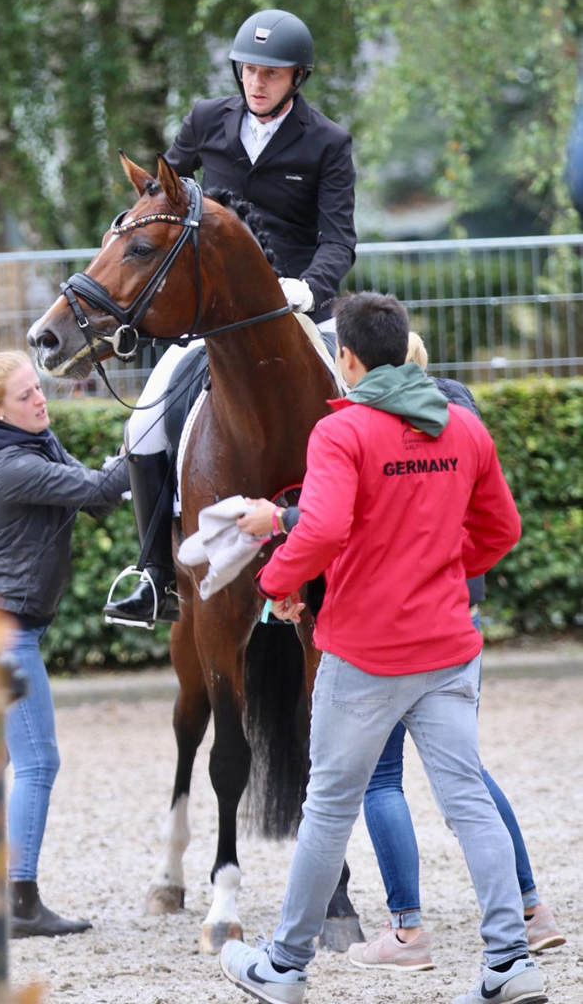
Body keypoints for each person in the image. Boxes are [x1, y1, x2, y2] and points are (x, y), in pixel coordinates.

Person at [219, 293, 548, 1004]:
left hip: (365, 653)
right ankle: (509, 962)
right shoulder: (463, 428)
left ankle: (283, 966)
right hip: (449, 646)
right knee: (468, 802)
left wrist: (278, 580)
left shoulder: (343, 434)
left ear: (347, 358)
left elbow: (325, 527)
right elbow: (501, 532)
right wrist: (437, 568)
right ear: (403, 348)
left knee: (330, 807)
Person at [103, 7, 357, 628]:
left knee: (360, 406)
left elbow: (339, 240)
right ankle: (155, 576)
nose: (257, 82)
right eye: (248, 70)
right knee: (141, 429)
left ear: (297, 77)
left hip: (297, 305)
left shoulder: (327, 142)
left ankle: (364, 557)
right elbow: (161, 195)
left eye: (271, 73)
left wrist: (310, 287)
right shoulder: (205, 122)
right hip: (218, 317)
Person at [0, 350, 130, 938]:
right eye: (26, 395)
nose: (41, 399)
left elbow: (94, 490)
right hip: (0, 630)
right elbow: (103, 487)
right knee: (38, 761)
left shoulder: (35, 442)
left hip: (1, 622)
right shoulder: (9, 466)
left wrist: (123, 464)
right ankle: (21, 904)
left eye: (38, 388)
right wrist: (153, 438)